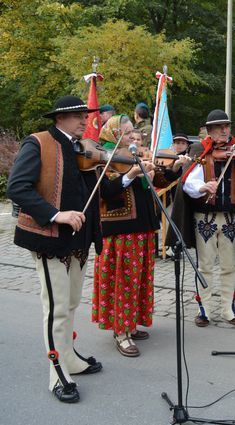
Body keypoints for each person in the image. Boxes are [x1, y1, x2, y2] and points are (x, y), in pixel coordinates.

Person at [6, 95, 135, 403]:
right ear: (59, 118)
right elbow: (17, 187)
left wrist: (129, 175)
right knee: (57, 308)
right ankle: (57, 372)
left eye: (85, 115)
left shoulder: (83, 150)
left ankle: (70, 358)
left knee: (72, 302)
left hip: (80, 240)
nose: (84, 120)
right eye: (78, 115)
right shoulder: (37, 143)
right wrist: (56, 214)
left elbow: (103, 190)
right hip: (50, 237)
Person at [176, 109, 235, 327]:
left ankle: (227, 308)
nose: (225, 130)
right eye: (220, 127)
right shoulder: (198, 150)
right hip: (204, 217)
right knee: (205, 265)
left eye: (227, 126)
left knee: (229, 266)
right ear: (210, 131)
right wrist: (202, 186)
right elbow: (187, 183)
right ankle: (203, 308)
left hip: (230, 218)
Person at [92, 115, 159, 357]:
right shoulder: (103, 158)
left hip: (142, 228)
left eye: (133, 131)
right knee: (122, 282)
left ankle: (130, 322)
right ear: (112, 133)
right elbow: (105, 192)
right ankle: (121, 332)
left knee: (138, 281)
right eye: (126, 131)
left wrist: (167, 169)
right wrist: (130, 175)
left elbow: (158, 183)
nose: (132, 135)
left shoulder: (134, 157)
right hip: (120, 233)